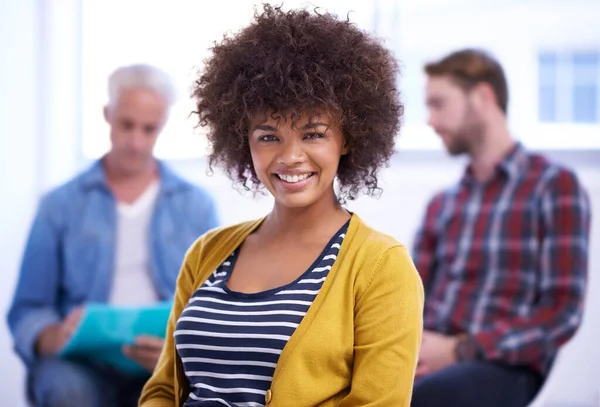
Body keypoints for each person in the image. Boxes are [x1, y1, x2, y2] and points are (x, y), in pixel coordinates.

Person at [140, 4, 424, 407]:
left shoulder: (382, 267)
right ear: (244, 141)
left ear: (347, 139)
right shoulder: (207, 253)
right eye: (269, 136)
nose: (290, 156)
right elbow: (163, 390)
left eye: (313, 134)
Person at [7, 64, 219, 407]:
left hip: (163, 360)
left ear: (163, 126)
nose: (136, 142)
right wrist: (54, 337)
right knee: (68, 392)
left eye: (149, 129)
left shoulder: (197, 206)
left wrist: (177, 355)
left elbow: (213, 305)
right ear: (108, 115)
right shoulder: (59, 205)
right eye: (126, 125)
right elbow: (29, 306)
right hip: (81, 364)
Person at [411, 48, 591, 407]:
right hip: (424, 355)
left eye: (438, 104)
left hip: (501, 364)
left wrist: (462, 349)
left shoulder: (555, 187)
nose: (430, 120)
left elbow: (562, 312)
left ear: (482, 97)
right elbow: (409, 297)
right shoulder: (442, 204)